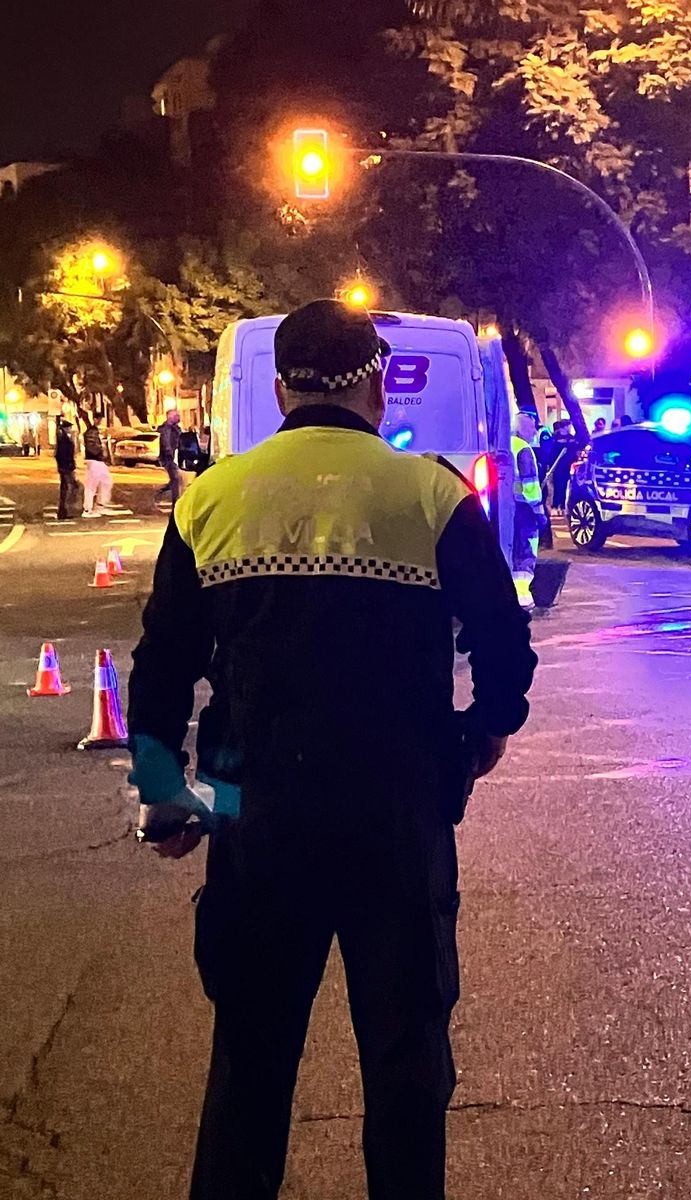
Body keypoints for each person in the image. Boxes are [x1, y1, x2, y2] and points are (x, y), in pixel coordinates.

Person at [126, 299, 536, 1200]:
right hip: (397, 814)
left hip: (254, 814)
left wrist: (164, 791)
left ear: (279, 390)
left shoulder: (213, 497)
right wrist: (484, 730)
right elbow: (503, 639)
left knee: (251, 1057)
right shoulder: (431, 495)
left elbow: (163, 661)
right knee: (405, 1058)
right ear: (377, 388)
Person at [509, 409, 546, 607]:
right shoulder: (523, 449)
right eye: (532, 427)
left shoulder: (503, 445)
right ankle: (523, 595)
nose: (534, 432)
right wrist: (539, 511)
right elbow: (530, 485)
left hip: (505, 508)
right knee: (526, 548)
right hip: (524, 508)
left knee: (510, 547)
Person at [81, 417, 113, 517]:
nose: (100, 422)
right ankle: (88, 509)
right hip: (94, 461)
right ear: (94, 419)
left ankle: (100, 505)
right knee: (92, 485)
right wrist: (101, 449)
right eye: (99, 420)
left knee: (106, 482)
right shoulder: (91, 433)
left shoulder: (94, 432)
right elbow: (92, 448)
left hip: (98, 461)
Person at [156, 407, 185, 505]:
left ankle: (163, 492)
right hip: (168, 458)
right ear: (169, 417)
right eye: (176, 416)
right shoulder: (164, 429)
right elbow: (166, 444)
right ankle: (175, 502)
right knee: (176, 479)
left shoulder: (176, 429)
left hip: (174, 457)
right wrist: (169, 455)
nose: (178, 418)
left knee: (177, 479)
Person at [53, 416, 79, 519]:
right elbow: (62, 454)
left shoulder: (63, 438)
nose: (70, 429)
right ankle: (66, 511)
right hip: (66, 468)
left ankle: (64, 511)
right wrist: (68, 465)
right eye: (69, 428)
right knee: (68, 488)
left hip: (65, 467)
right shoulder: (64, 440)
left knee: (66, 489)